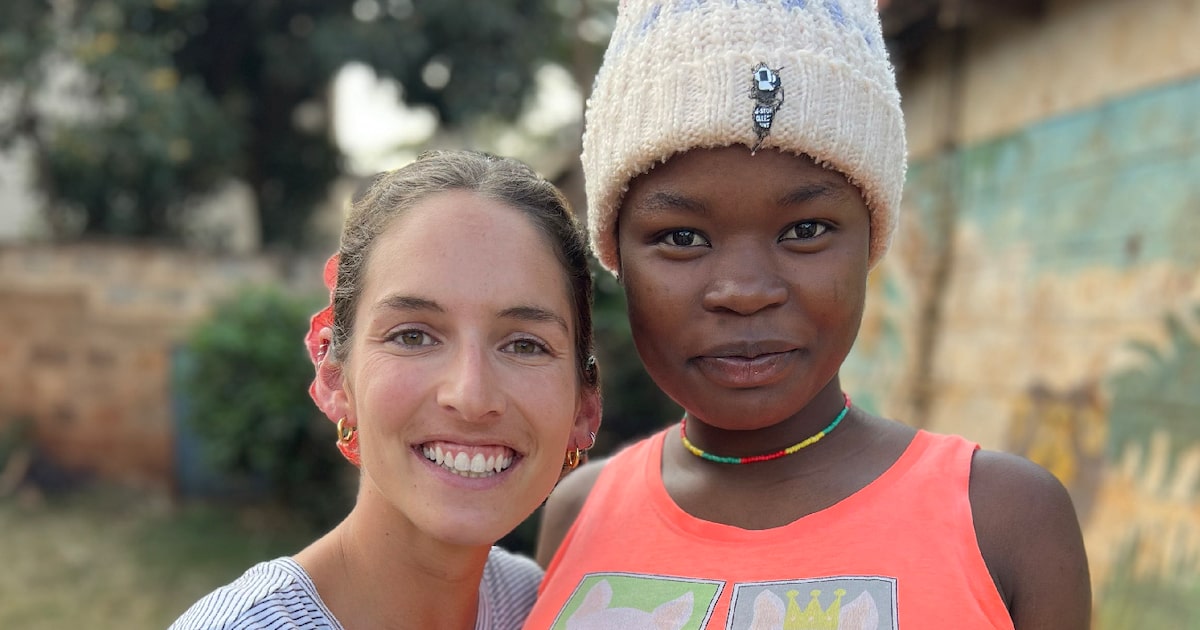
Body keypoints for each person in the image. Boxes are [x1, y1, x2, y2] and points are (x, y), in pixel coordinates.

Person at [525, 1, 1091, 629]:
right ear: (615, 255)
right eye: (682, 237)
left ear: (871, 239)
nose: (743, 291)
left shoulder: (1003, 522)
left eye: (805, 229)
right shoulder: (578, 513)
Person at [170, 150, 601, 630]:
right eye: (412, 336)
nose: (472, 395)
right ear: (335, 375)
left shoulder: (547, 608)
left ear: (584, 405)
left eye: (525, 345)